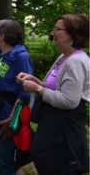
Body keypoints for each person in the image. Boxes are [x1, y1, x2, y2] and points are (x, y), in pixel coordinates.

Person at [17, 14, 89, 174]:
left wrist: (36, 89)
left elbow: (69, 101)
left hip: (64, 130)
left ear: (73, 35)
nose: (52, 33)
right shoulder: (64, 57)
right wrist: (35, 81)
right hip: (54, 125)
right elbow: (53, 88)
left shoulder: (75, 61)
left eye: (58, 29)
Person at [0, 19, 33, 174]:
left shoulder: (20, 57)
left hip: (6, 115)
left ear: (2, 36)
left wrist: (13, 118)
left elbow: (25, 91)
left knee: (4, 162)